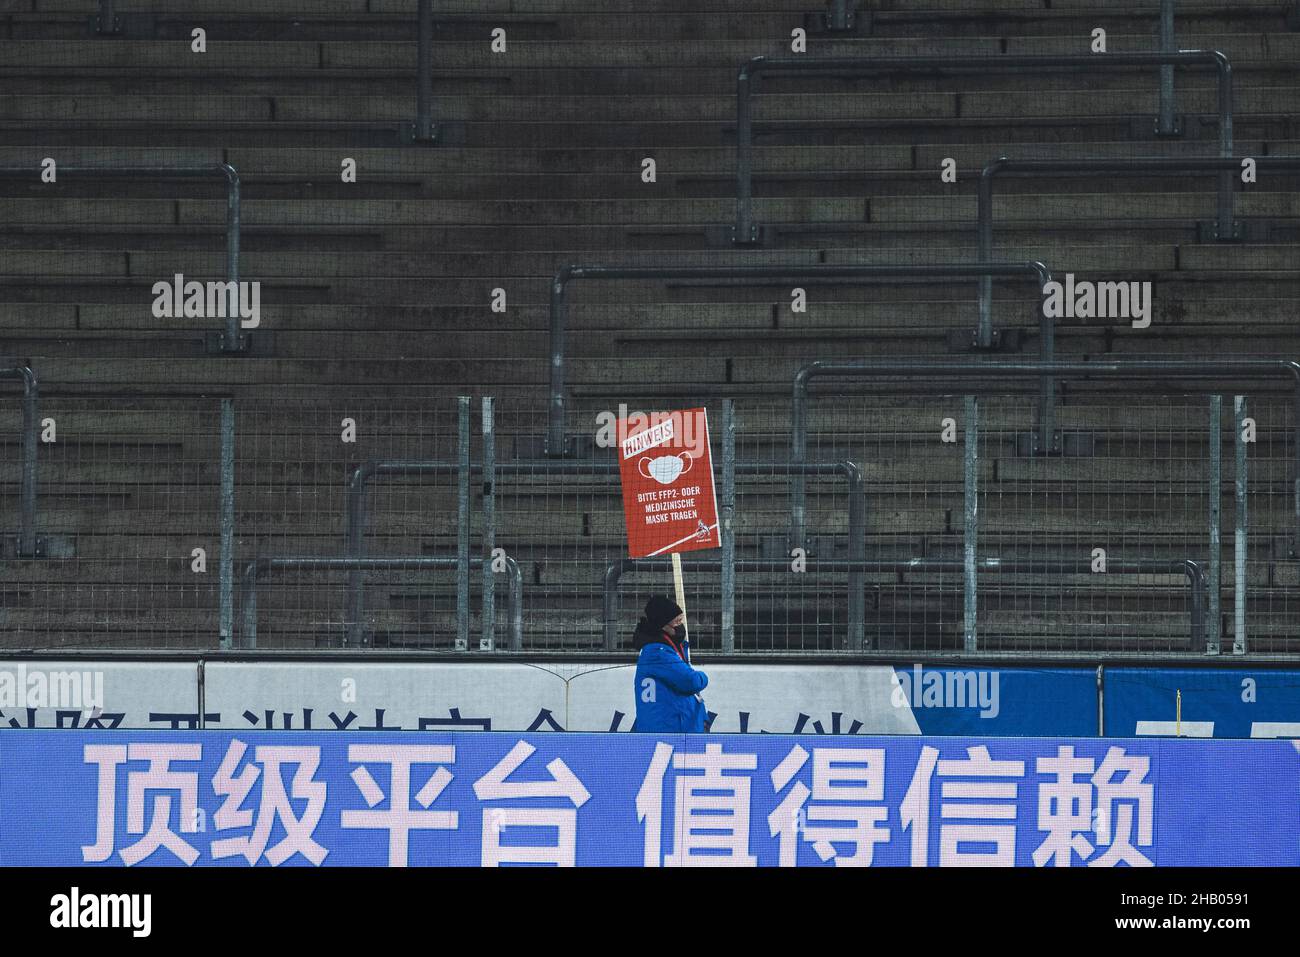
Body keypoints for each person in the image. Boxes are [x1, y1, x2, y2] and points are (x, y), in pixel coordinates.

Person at [630, 595, 709, 733]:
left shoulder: (665, 649)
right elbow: (691, 681)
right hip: (668, 731)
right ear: (663, 626)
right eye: (677, 622)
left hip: (675, 728)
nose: (681, 626)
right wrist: (703, 676)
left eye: (681, 620)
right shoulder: (658, 652)